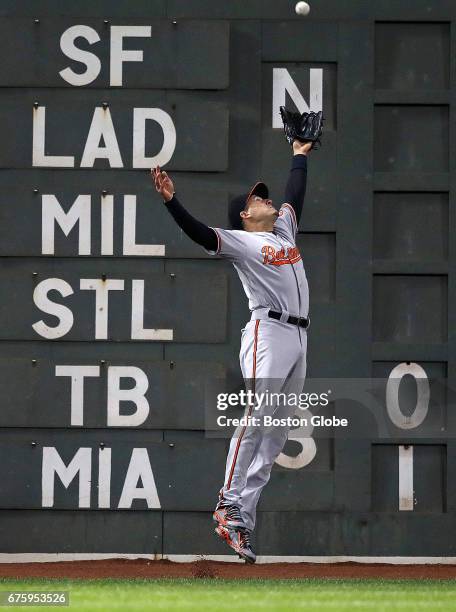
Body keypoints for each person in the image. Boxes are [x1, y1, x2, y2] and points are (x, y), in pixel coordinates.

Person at [151, 138, 311, 563]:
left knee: (277, 432)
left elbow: (295, 192)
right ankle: (227, 501)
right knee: (258, 415)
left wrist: (299, 153)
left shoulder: (283, 231)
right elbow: (202, 234)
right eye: (258, 197)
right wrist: (172, 202)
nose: (267, 197)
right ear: (245, 214)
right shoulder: (242, 241)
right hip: (269, 330)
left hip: (298, 337)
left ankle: (241, 522)